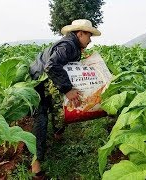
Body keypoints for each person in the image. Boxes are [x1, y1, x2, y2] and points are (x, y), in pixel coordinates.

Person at [29, 19, 101, 179]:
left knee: (54, 109)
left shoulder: (72, 45)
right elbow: (52, 66)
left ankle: (57, 134)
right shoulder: (68, 45)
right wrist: (68, 89)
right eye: (89, 35)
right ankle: (36, 163)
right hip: (40, 80)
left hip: (41, 76)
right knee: (42, 116)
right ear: (80, 33)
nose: (90, 40)